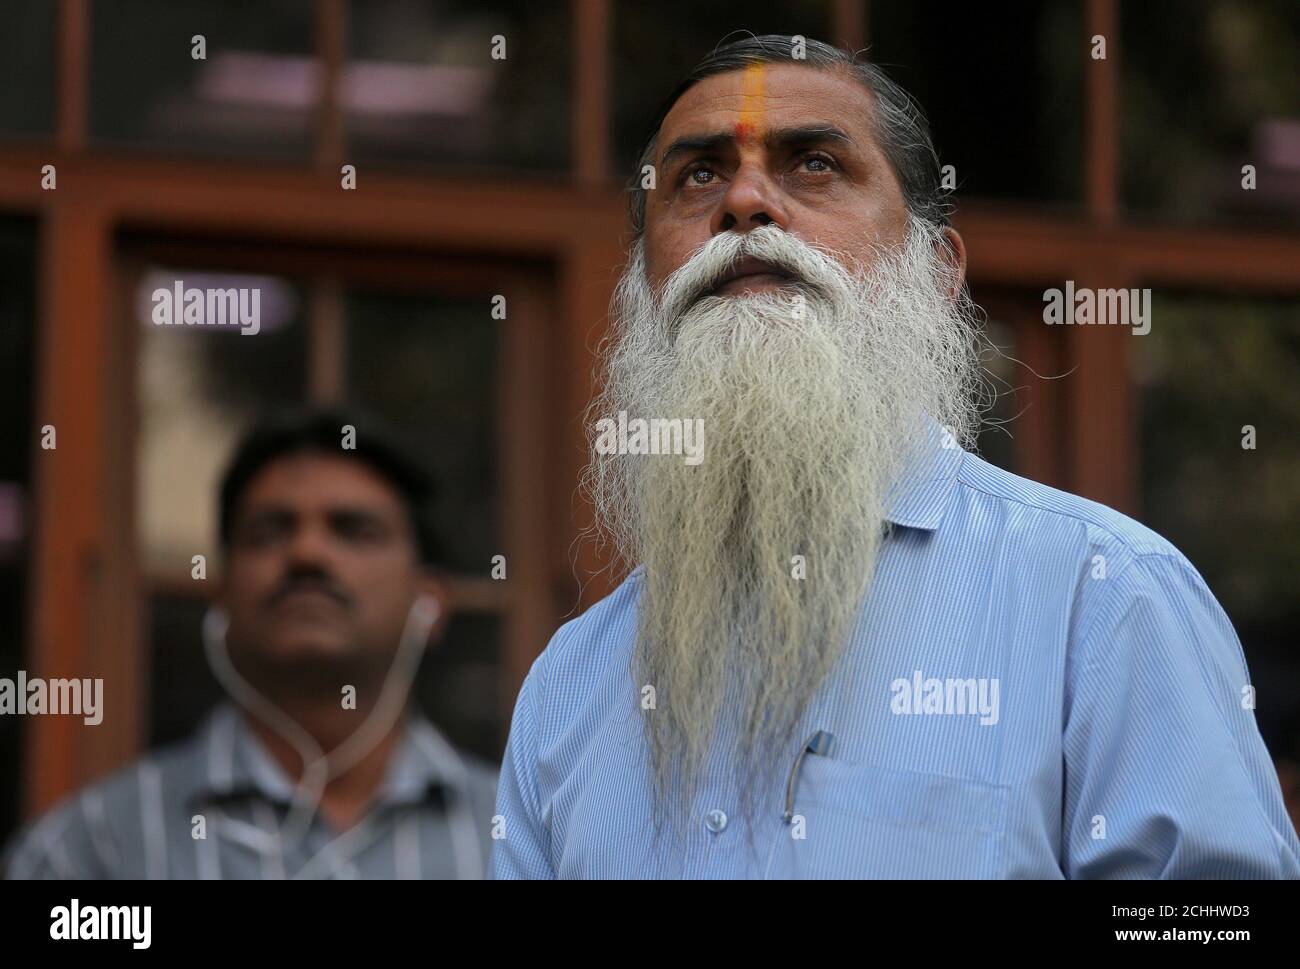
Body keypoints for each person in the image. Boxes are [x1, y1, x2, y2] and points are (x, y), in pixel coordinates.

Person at [491, 35, 1300, 878]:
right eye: (697, 175)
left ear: (938, 270)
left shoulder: (1103, 597)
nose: (744, 201)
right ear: (643, 282)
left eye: (813, 164)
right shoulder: (569, 685)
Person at [5, 409, 495, 879]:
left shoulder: (518, 837)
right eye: (268, 532)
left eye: (353, 530)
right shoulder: (92, 852)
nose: (307, 553)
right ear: (221, 596)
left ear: (430, 602)